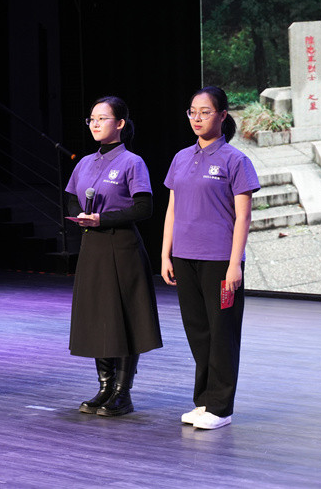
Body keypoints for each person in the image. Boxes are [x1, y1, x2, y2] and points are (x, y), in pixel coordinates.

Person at [161, 86, 259, 430]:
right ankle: (203, 401)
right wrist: (166, 254)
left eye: (205, 112)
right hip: (184, 257)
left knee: (222, 333)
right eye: (192, 112)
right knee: (198, 332)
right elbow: (172, 209)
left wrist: (235, 264)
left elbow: (243, 217)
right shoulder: (180, 158)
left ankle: (221, 406)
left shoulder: (235, 160)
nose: (197, 118)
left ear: (222, 115)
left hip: (220, 261)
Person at [65, 96, 163, 416]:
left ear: (119, 124)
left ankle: (123, 392)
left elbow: (144, 207)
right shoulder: (84, 162)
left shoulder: (132, 162)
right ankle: (104, 387)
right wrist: (81, 216)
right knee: (98, 316)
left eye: (102, 118)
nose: (95, 124)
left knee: (123, 318)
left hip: (122, 247)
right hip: (92, 247)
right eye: (91, 119)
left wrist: (103, 219)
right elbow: (70, 197)